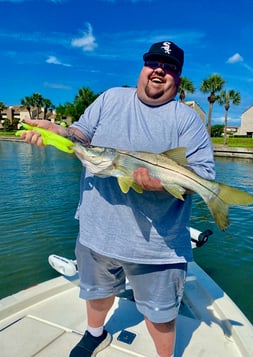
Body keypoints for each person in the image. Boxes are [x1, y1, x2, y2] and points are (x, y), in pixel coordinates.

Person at [22, 41, 215, 357]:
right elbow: (81, 137)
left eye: (169, 67)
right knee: (96, 292)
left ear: (177, 78)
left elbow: (204, 173)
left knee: (161, 314)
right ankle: (95, 333)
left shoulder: (187, 119)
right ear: (143, 67)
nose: (159, 70)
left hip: (158, 245)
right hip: (97, 231)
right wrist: (57, 132)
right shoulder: (111, 98)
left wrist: (161, 184)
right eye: (154, 63)